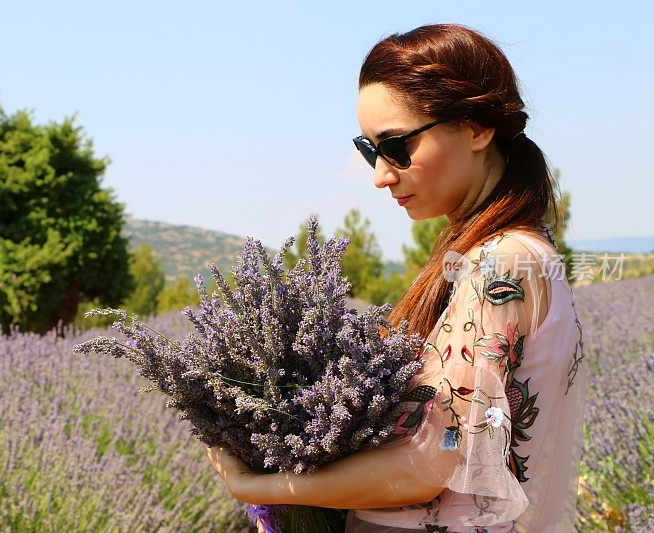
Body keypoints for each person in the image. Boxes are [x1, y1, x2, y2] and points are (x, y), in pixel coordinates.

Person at [206, 23, 585, 533]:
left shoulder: (502, 264)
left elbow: (433, 462)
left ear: (476, 127)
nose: (381, 174)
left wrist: (257, 485)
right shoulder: (515, 251)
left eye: (397, 146)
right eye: (370, 150)